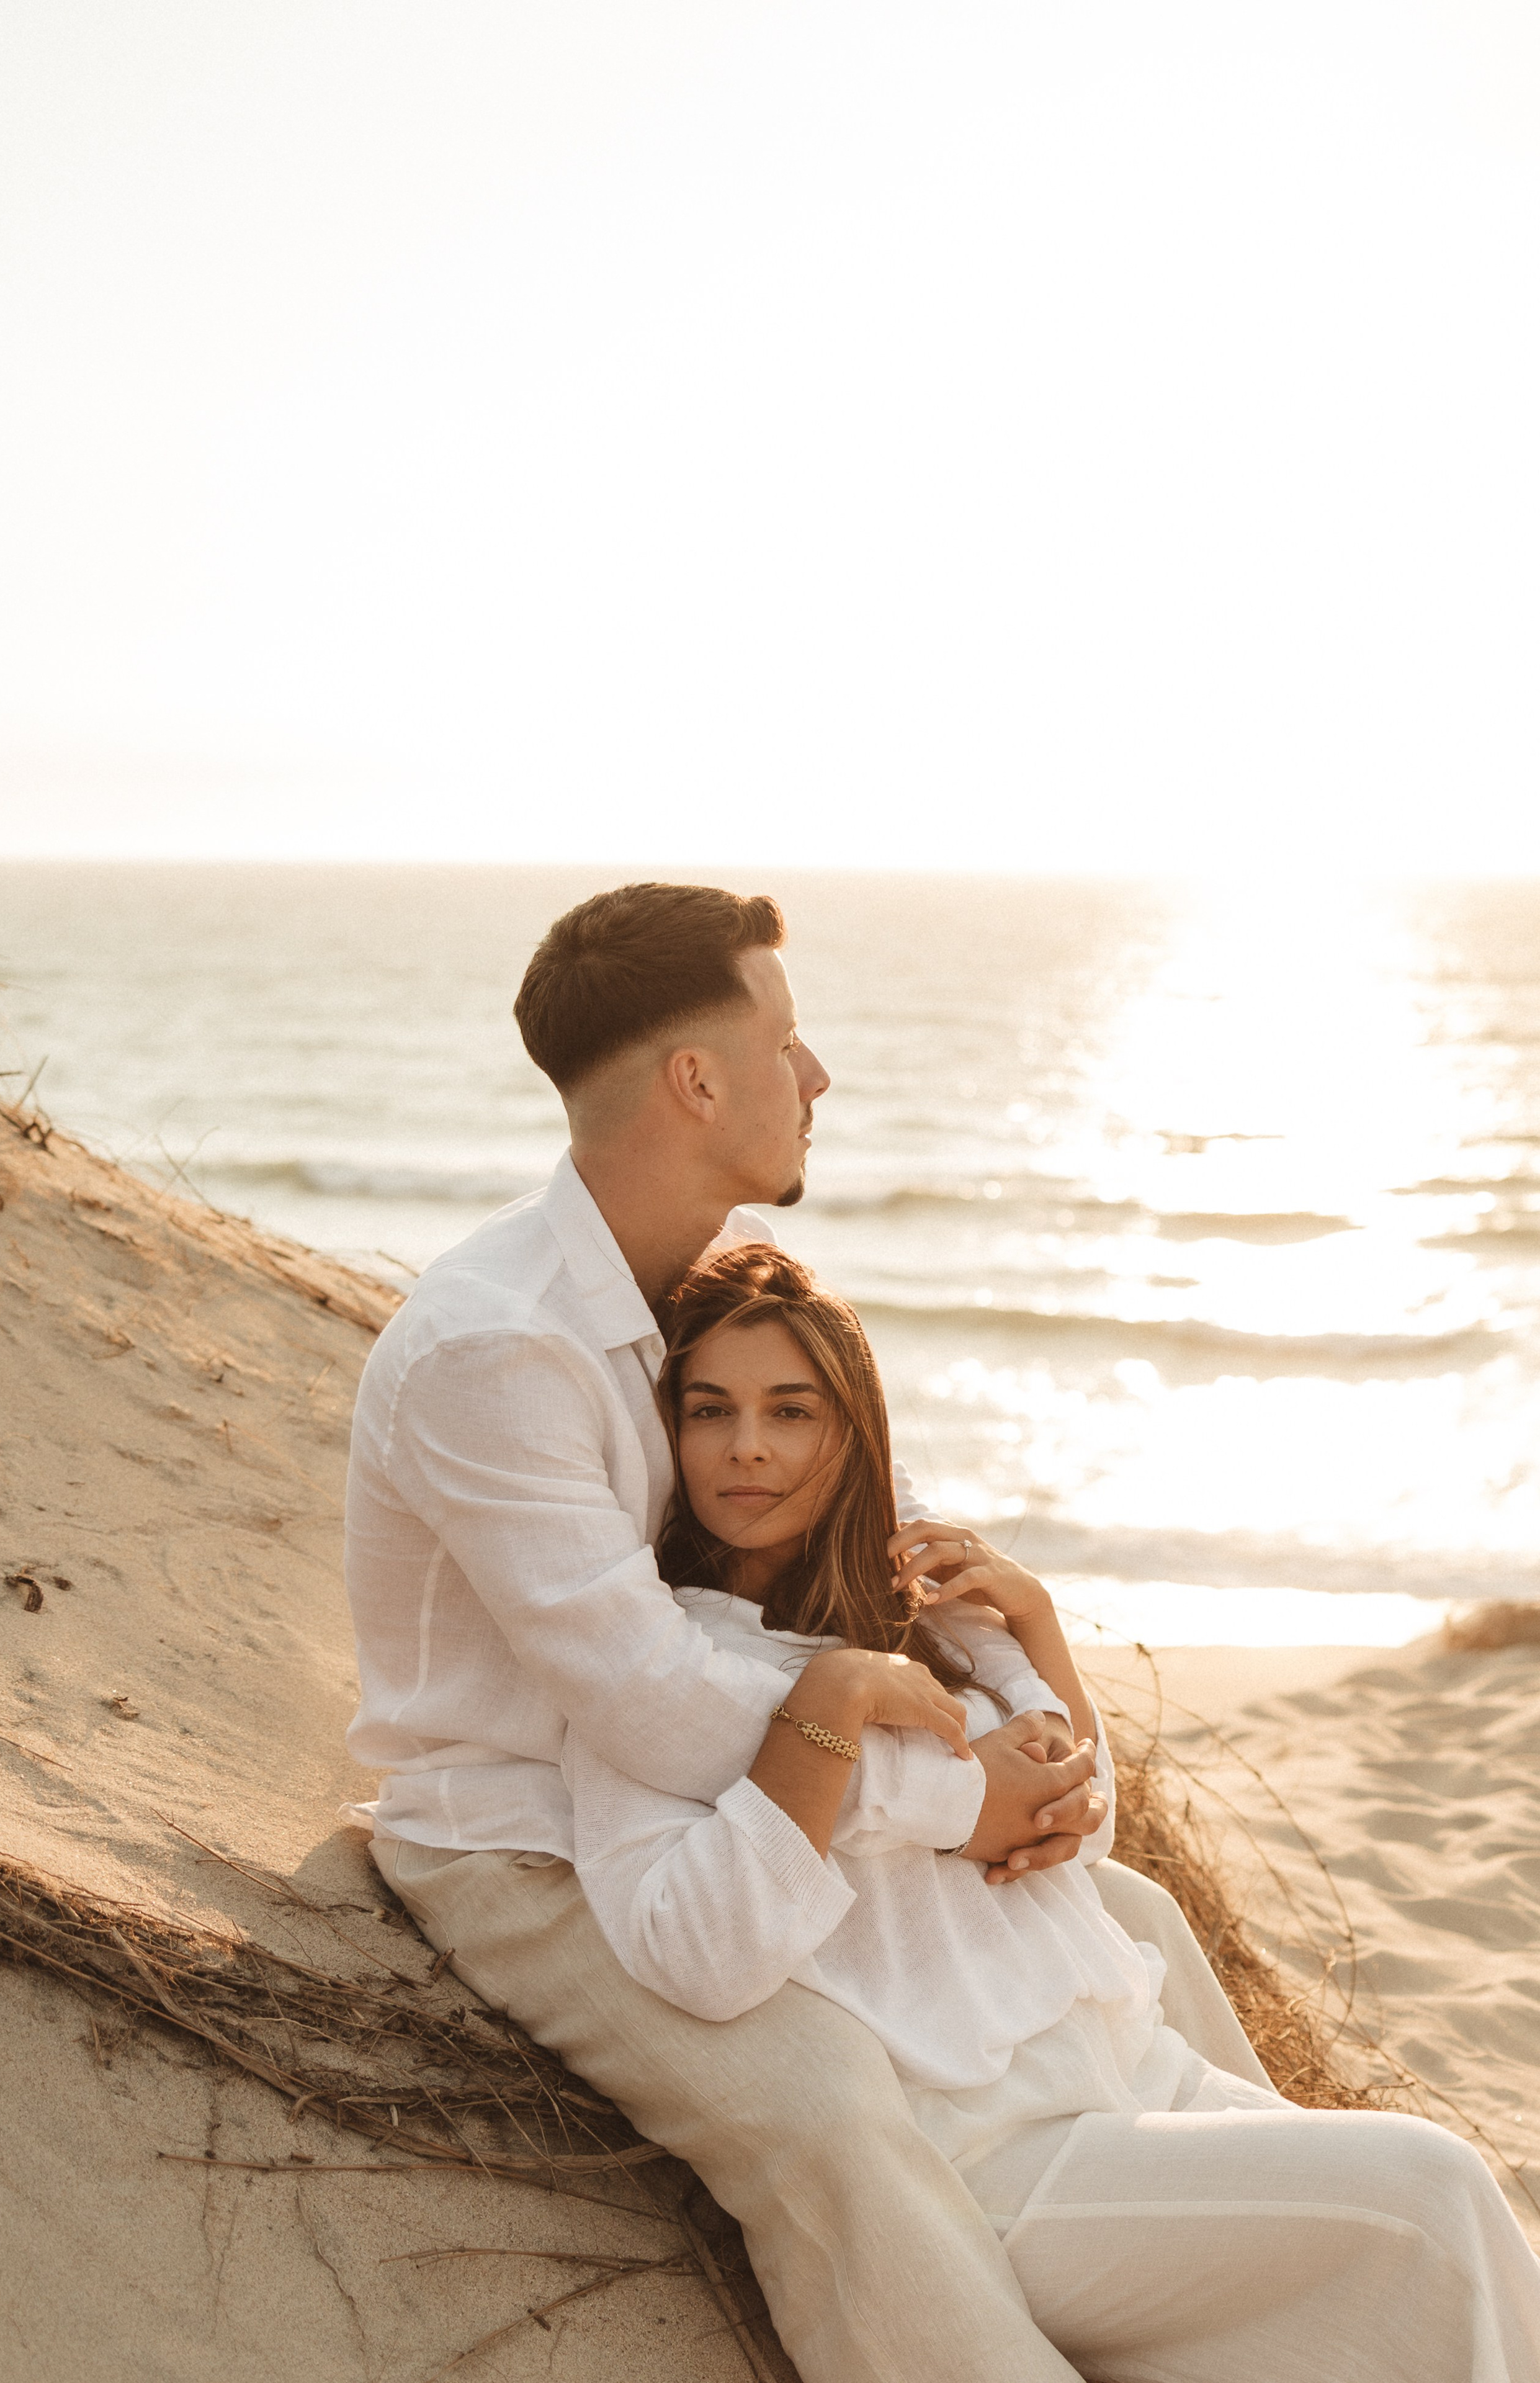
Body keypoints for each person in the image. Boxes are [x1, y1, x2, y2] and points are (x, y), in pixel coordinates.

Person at [343, 881, 1271, 2383]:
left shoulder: (675, 1301)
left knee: (1134, 1925)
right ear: (695, 1080)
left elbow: (871, 1554)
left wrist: (1016, 1666)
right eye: (786, 1036)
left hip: (728, 1785)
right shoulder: (496, 1346)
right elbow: (645, 1702)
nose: (818, 1073)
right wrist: (962, 1802)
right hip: (531, 1836)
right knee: (827, 2103)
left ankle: (1282, 2255)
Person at [565, 1239, 1540, 2383]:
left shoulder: (928, 1620)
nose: (747, 1448)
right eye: (709, 1409)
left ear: (853, 1433)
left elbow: (1089, 1827)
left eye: (793, 1411)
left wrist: (1037, 1629)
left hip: (1141, 2080)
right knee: (1434, 2194)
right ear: (669, 1432)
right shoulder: (668, 1672)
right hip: (1002, 2157)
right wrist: (827, 1713)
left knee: (1457, 2252)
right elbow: (700, 1953)